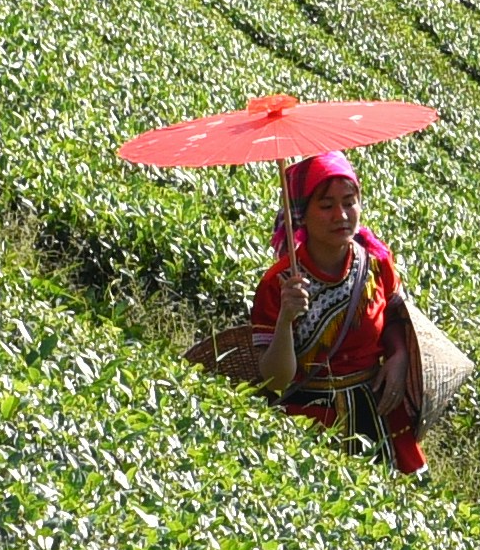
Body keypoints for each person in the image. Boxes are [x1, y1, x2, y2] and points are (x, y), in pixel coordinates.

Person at [193, 146, 457, 471]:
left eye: (349, 202)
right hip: (308, 418)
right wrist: (286, 319)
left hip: (376, 414)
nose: (342, 216)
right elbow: (275, 380)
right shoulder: (279, 284)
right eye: (327, 205)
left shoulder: (375, 264)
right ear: (303, 213)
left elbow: (392, 320)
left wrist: (399, 356)